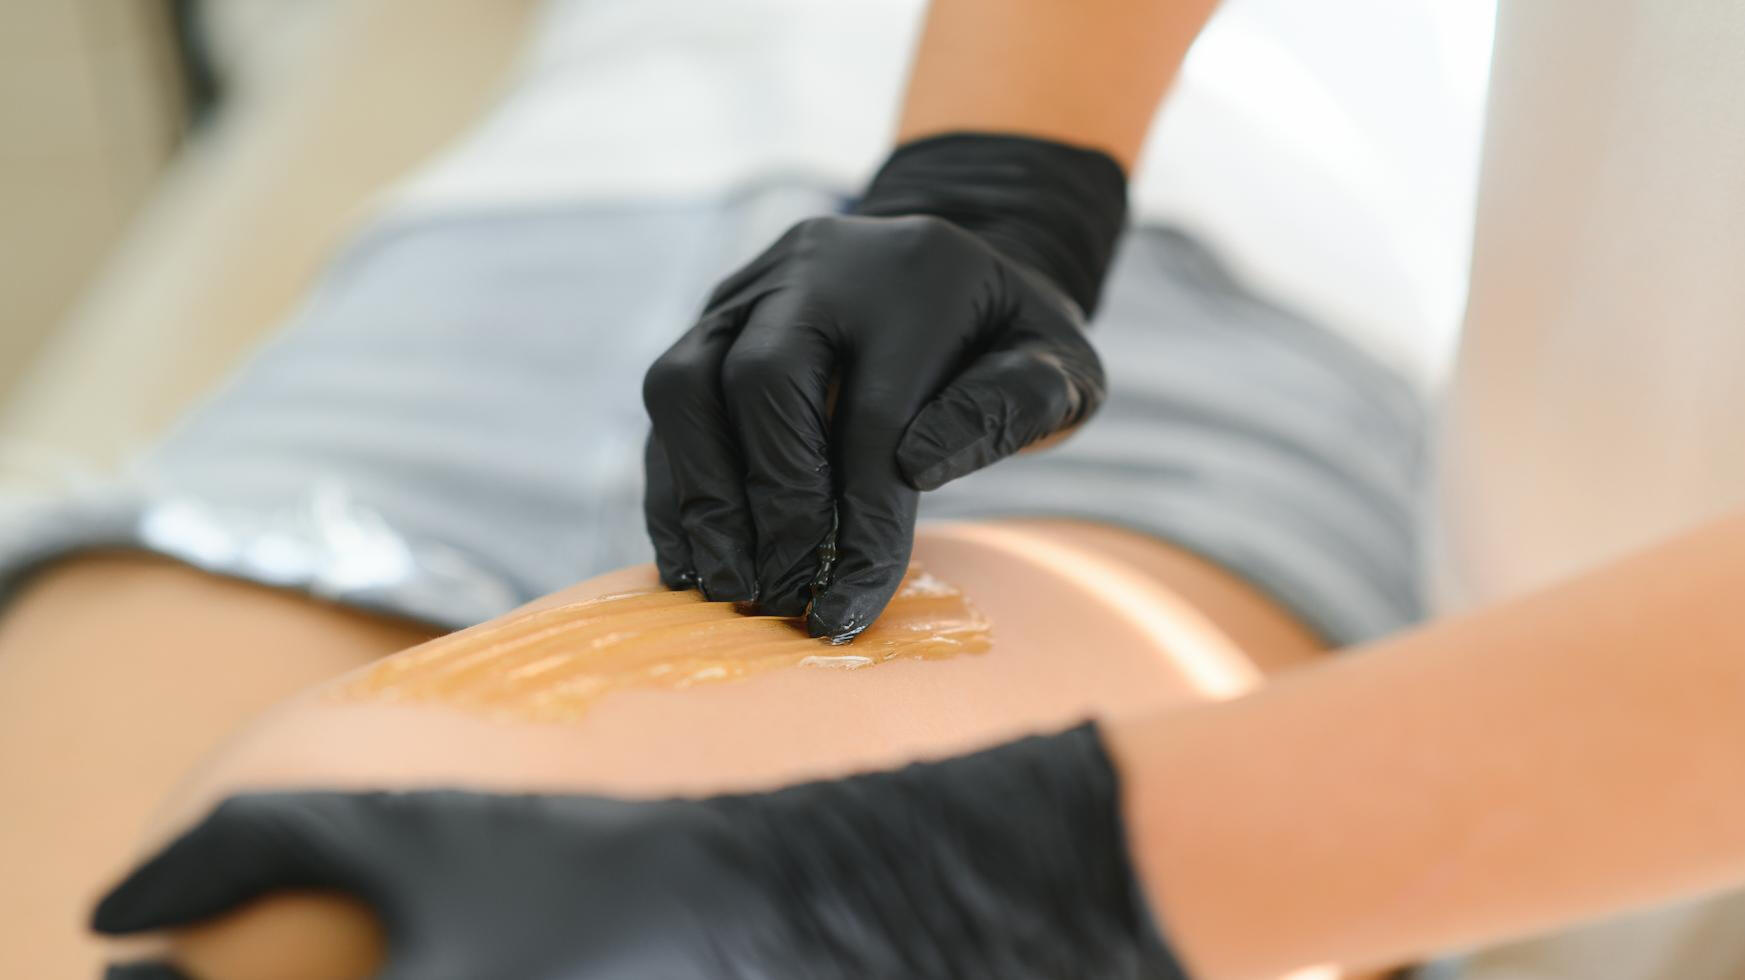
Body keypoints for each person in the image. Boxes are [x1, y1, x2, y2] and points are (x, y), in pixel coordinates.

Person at [10, 0, 1745, 977]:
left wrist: (957, 877)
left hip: (1218, 310)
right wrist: (1001, 166)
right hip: (533, 248)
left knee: (304, 931)